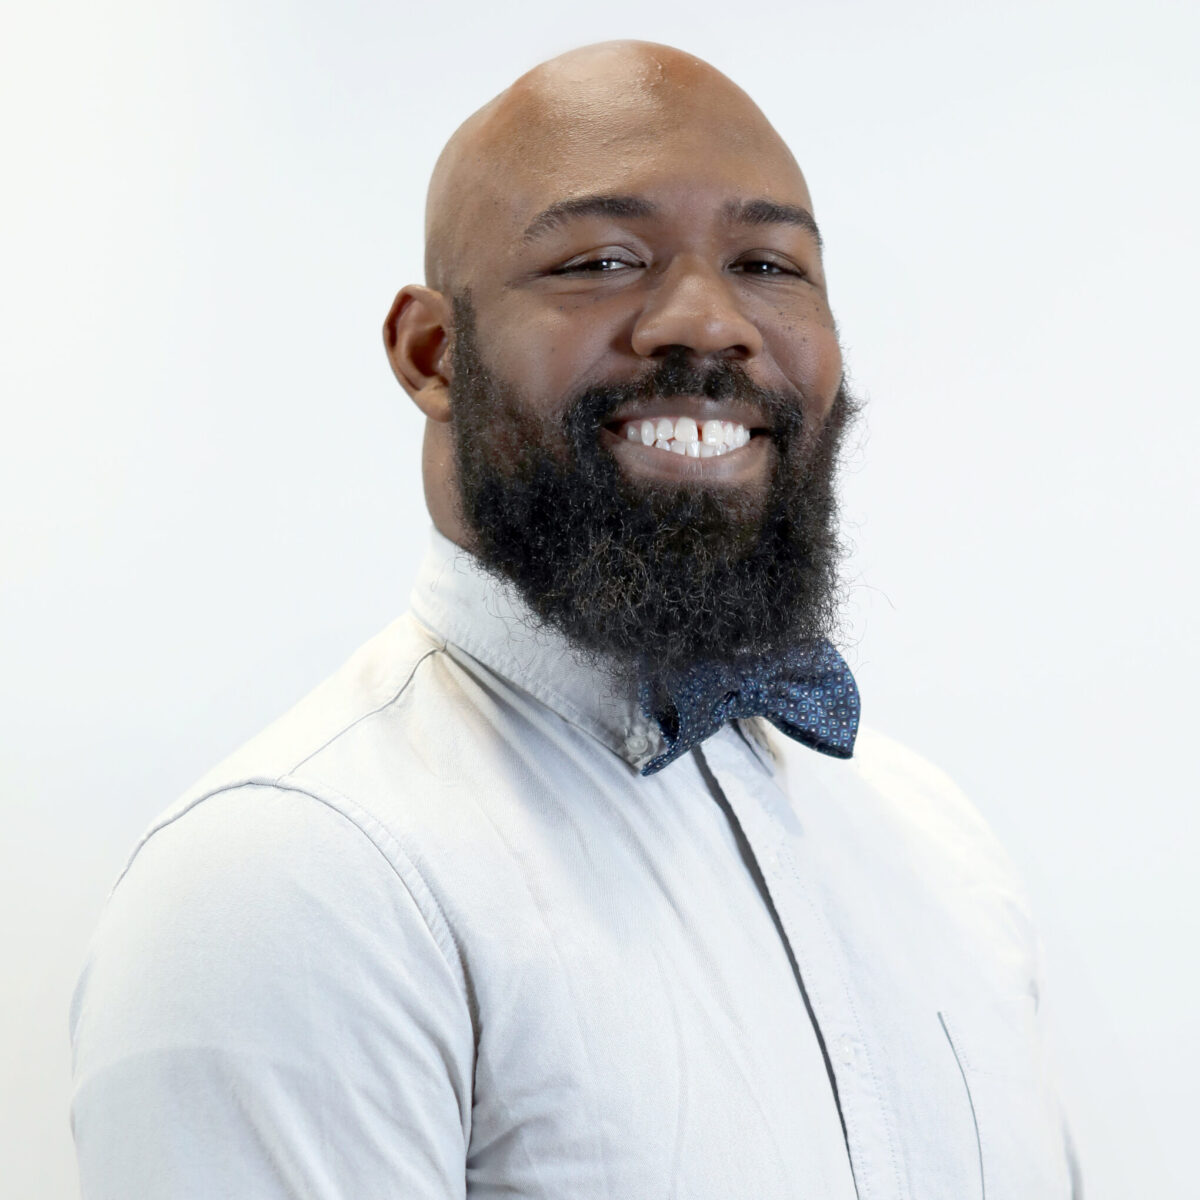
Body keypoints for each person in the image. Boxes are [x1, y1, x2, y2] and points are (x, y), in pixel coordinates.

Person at [70, 41, 1081, 1199]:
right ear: (432, 353)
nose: (709, 321)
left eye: (768, 264)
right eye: (601, 260)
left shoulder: (944, 852)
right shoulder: (294, 881)